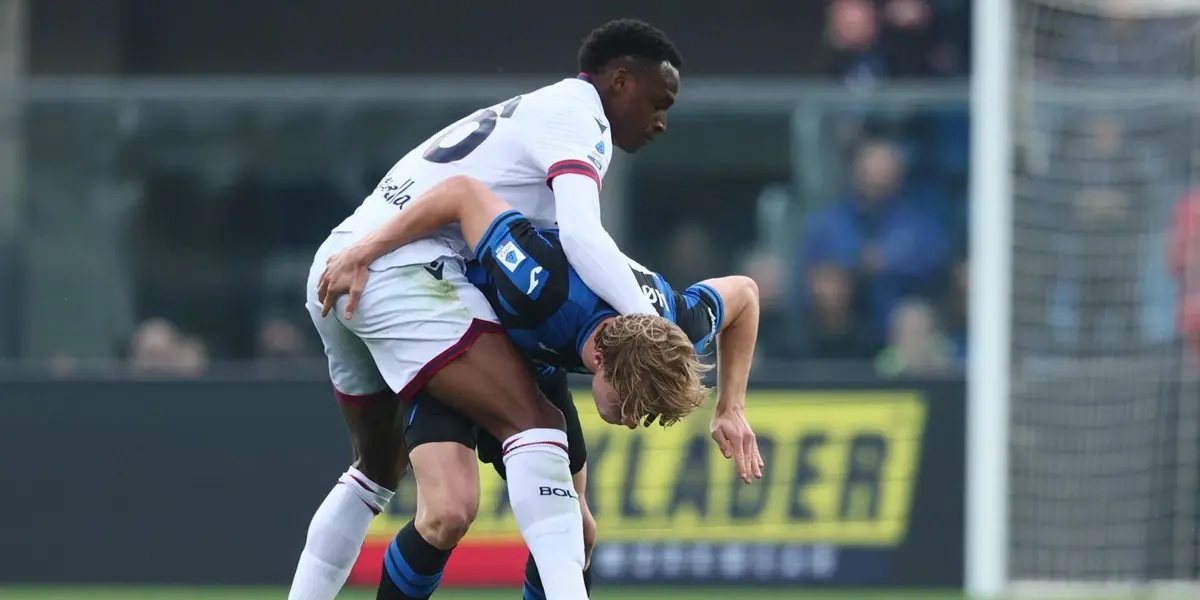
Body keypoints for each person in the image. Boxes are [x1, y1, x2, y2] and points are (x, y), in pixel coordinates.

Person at [291, 18, 684, 600]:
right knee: (535, 426)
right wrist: (651, 323)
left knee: (378, 469)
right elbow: (580, 235)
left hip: (342, 263)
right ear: (620, 81)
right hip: (398, 269)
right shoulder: (581, 120)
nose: (661, 121)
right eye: (658, 101)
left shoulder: (537, 111)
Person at [319, 175, 764, 600]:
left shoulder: (673, 322)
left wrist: (732, 406)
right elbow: (462, 193)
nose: (630, 423)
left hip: (533, 365)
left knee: (579, 534)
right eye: (630, 406)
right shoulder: (543, 283)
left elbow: (744, 294)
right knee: (447, 512)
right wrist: (365, 250)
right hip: (457, 341)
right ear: (600, 360)